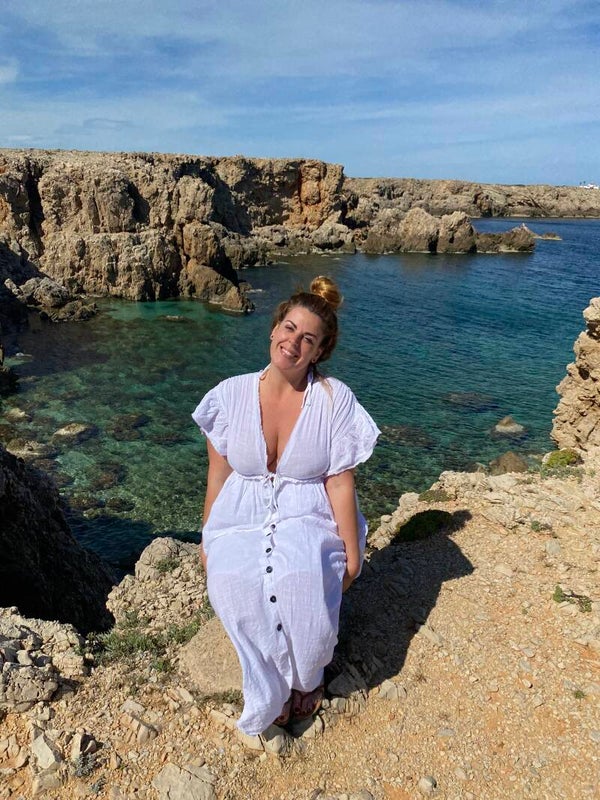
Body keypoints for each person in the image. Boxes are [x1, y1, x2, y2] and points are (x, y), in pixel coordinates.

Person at [192, 275, 379, 736]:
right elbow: (218, 474)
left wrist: (353, 554)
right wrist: (207, 536)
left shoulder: (334, 399)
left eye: (308, 339)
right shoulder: (229, 395)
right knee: (233, 581)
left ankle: (307, 677)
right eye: (289, 329)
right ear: (275, 328)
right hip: (239, 516)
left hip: (308, 512)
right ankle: (269, 684)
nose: (293, 343)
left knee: (305, 579)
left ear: (320, 351)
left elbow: (340, 481)